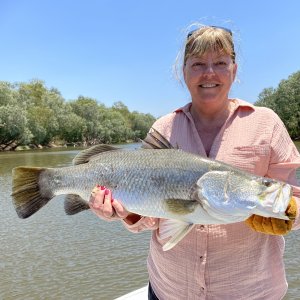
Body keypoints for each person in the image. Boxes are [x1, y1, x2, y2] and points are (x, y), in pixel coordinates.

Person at [89, 24, 300, 299]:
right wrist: (126, 212)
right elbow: (151, 217)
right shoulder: (163, 129)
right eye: (198, 64)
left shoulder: (266, 123)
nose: (209, 73)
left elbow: (295, 195)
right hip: (169, 290)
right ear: (183, 72)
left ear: (234, 70)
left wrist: (290, 213)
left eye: (221, 63)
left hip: (252, 292)